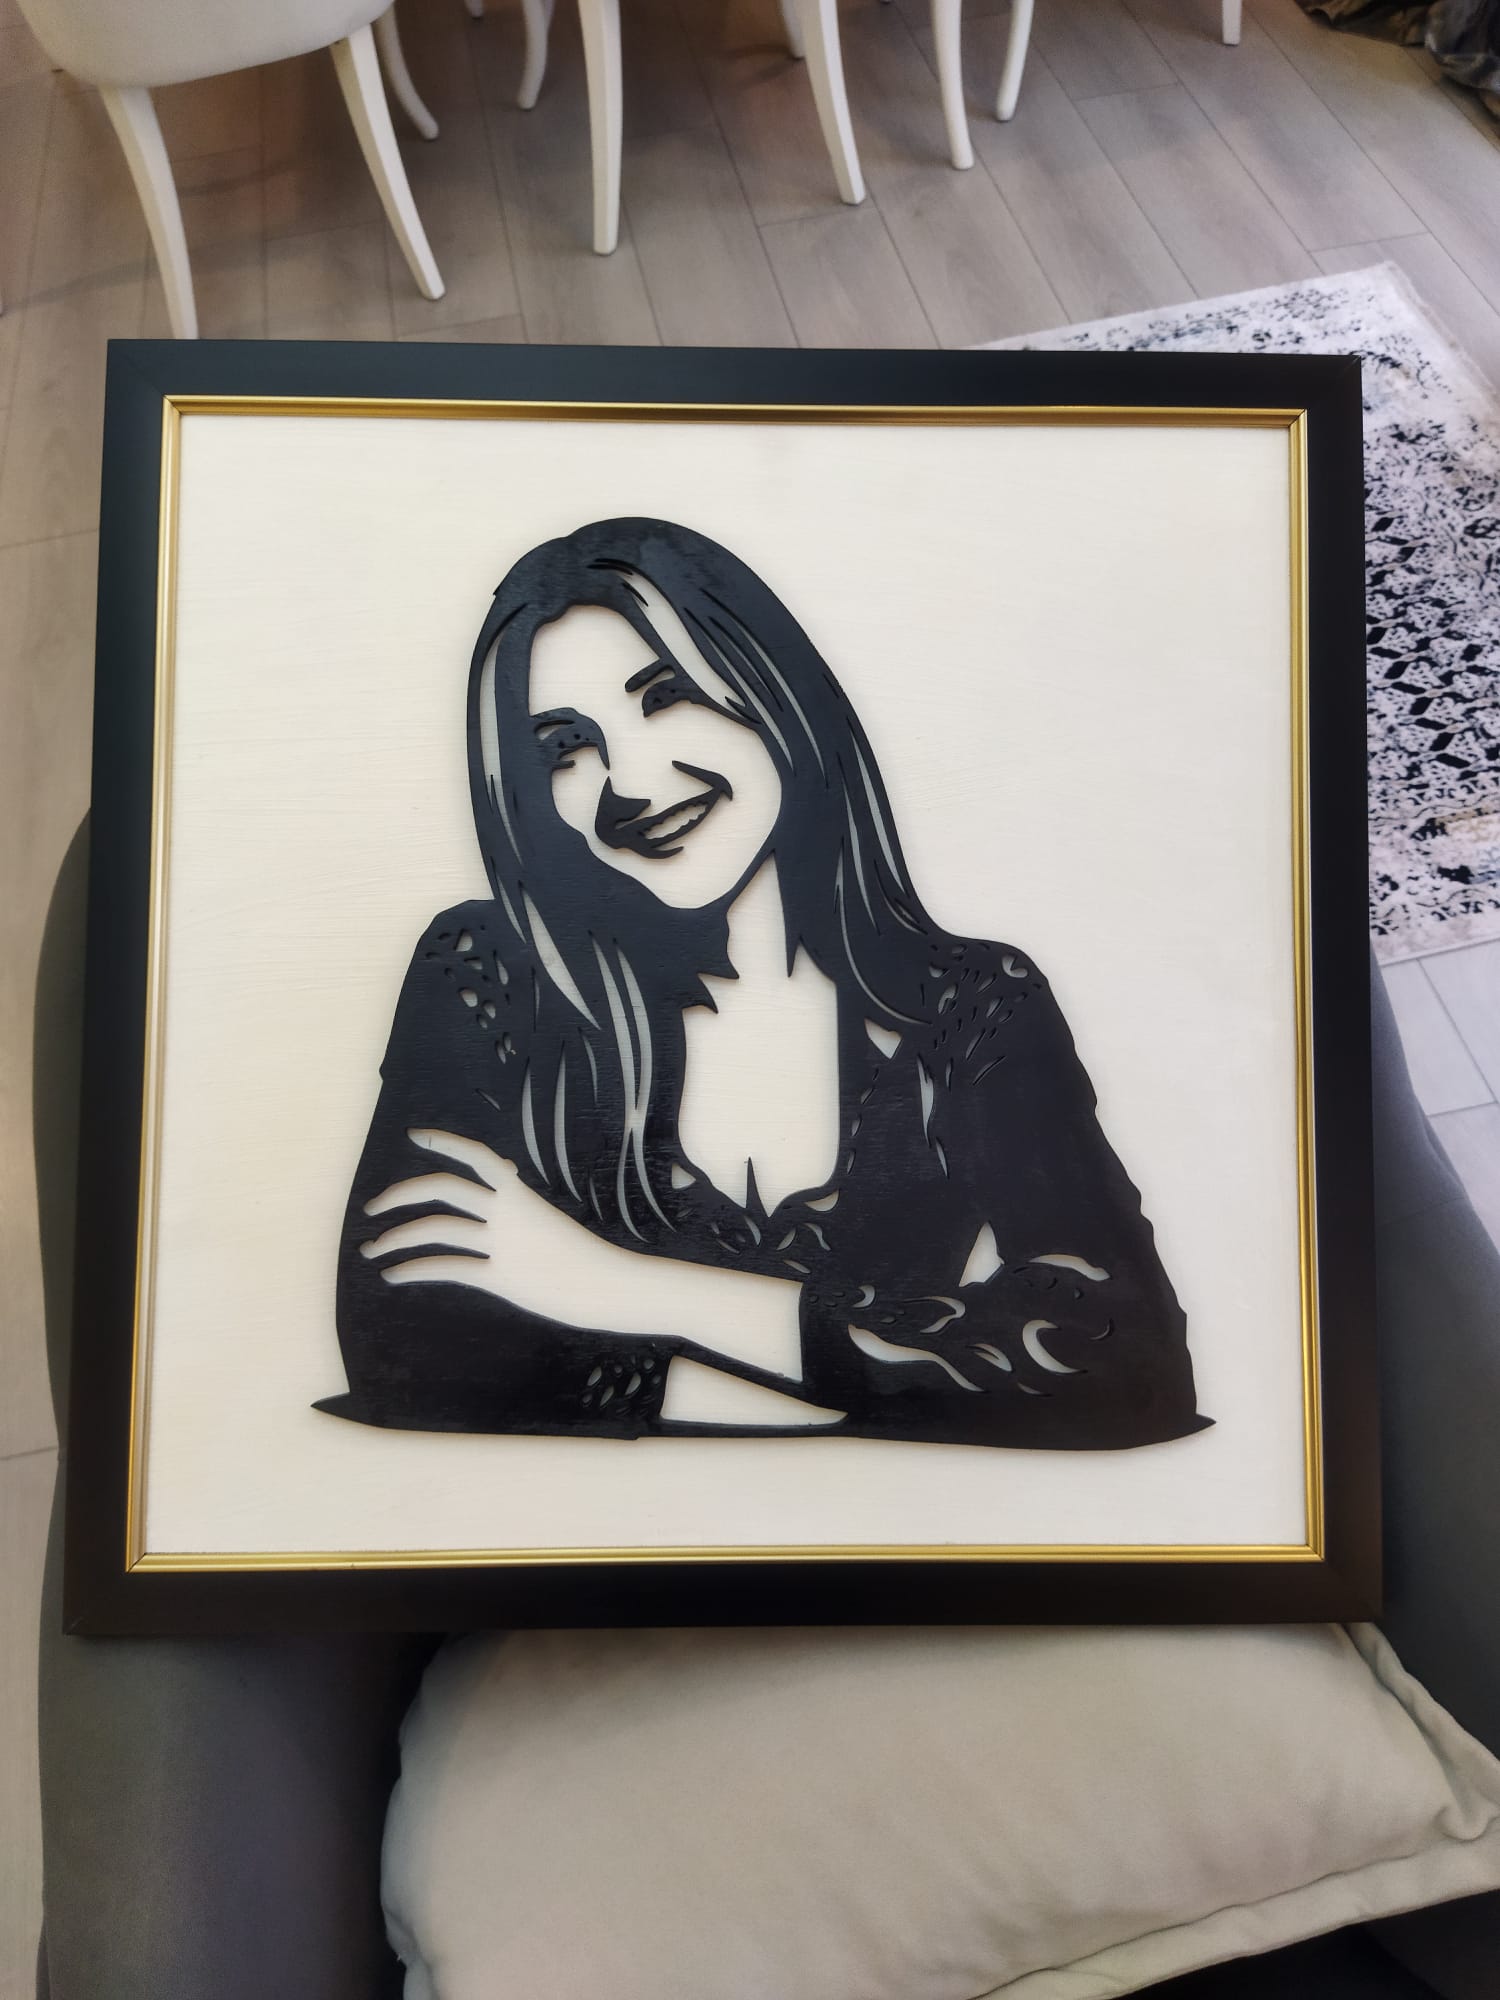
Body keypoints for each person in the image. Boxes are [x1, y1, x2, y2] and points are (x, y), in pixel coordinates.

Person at [319, 519, 1208, 1450]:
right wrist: (866, 1384)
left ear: (774, 694)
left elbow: (1124, 1360)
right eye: (566, 748)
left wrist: (609, 1286)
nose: (627, 786)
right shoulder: (489, 970)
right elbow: (405, 1344)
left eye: (665, 696)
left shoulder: (973, 1003)